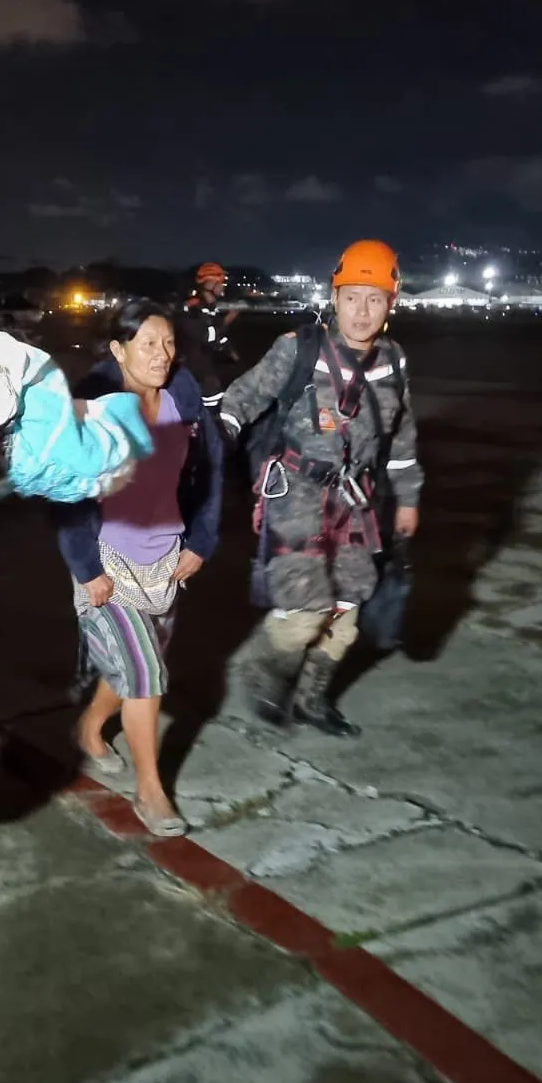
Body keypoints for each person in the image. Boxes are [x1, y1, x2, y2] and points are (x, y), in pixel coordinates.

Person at [218, 239, 421, 736]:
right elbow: (242, 397)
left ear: (391, 304)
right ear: (335, 298)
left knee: (349, 604)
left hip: (356, 499)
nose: (362, 310)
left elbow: (403, 437)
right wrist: (214, 442)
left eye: (375, 298)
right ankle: (261, 669)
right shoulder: (299, 349)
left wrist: (409, 498)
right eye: (352, 296)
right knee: (307, 607)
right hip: (296, 493)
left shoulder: (393, 362)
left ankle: (312, 699)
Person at [56, 301, 224, 836]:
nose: (161, 355)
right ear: (118, 349)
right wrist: (86, 568)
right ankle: (151, 793)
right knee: (147, 676)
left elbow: (212, 473)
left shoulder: (185, 402)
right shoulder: (94, 407)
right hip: (107, 559)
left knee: (131, 669)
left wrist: (201, 540)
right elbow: (67, 494)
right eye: (148, 344)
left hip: (167, 561)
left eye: (169, 343)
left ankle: (89, 726)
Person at [173, 261, 240, 412]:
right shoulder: (192, 308)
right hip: (196, 370)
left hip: (208, 367)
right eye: (220, 282)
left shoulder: (211, 308)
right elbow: (206, 336)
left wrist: (230, 352)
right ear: (209, 284)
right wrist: (226, 322)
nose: (223, 286)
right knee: (210, 412)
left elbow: (218, 336)